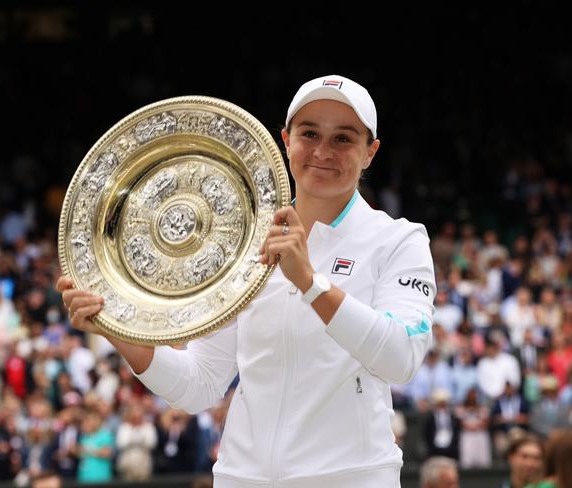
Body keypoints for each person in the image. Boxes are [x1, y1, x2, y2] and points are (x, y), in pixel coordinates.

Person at [57, 74, 436, 487]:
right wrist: (114, 328)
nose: (323, 152)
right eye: (310, 134)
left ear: (370, 152)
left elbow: (401, 357)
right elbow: (199, 384)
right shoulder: (241, 242)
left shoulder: (398, 239)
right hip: (242, 476)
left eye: (344, 138)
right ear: (286, 140)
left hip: (351, 476)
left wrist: (311, 284)